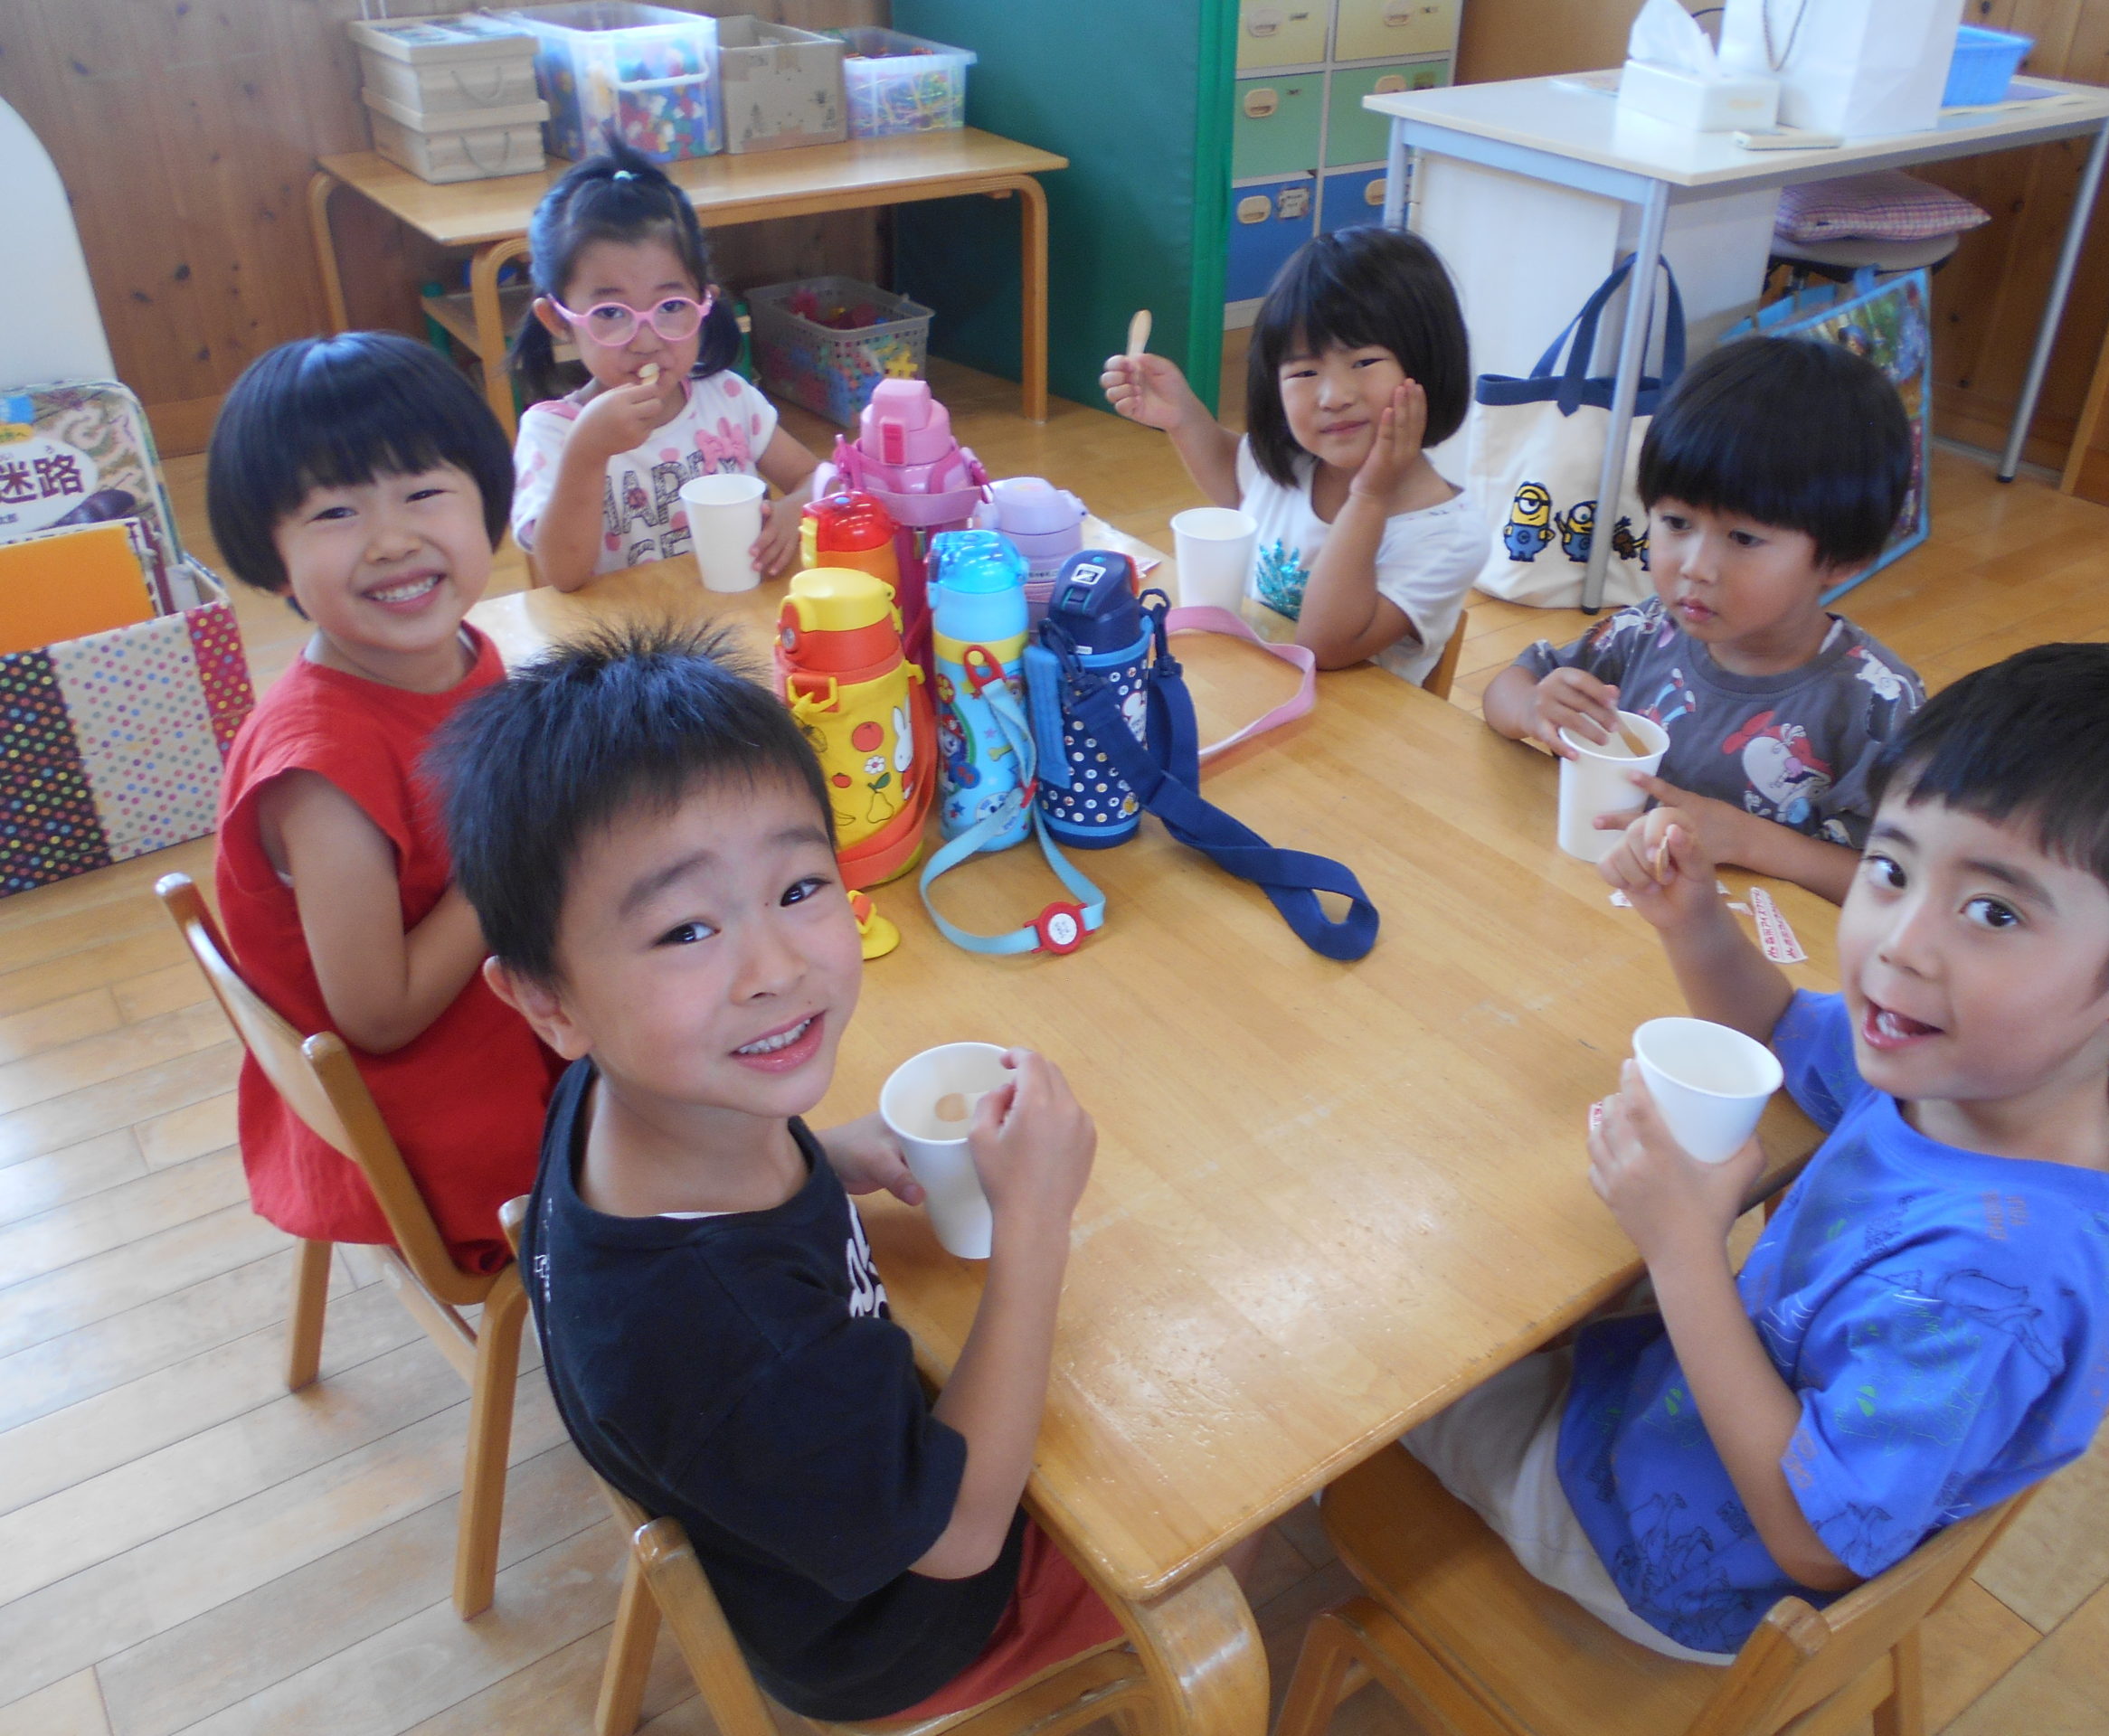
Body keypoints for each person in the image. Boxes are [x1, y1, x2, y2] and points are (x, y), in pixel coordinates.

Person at [1409, 642, 2109, 1662]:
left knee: (1384, 1370)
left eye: (1994, 911)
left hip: (1660, 1549)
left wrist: (1684, 1250)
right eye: (1890, 868)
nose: (1898, 943)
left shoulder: (1987, 1287)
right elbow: (1785, 1029)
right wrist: (1693, 923)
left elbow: (1815, 1540)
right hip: (1680, 1398)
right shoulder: (1978, 1071)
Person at [428, 627, 1130, 1722]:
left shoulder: (634, 1095)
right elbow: (957, 1538)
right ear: (548, 1001)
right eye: (685, 930)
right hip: (906, 1630)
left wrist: (828, 1158)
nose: (777, 967)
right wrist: (1035, 1226)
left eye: (801, 885)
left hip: (810, 1508)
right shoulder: (728, 1338)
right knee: (1216, 1507)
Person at [205, 332, 556, 1274]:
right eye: (333, 511)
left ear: (488, 503)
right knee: (692, 1058)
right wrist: (520, 851)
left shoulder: (457, 653)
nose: (391, 538)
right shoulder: (323, 772)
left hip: (498, 998)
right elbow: (381, 1014)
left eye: (424, 492)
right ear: (272, 562)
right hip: (443, 1112)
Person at [1483, 336, 1925, 903]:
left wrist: (1747, 840)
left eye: (1742, 537)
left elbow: (1907, 888)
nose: (1695, 567)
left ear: (1842, 558)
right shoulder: (1647, 630)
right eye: (1676, 522)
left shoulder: (1877, 703)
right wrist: (1532, 708)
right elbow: (1505, 689)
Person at [1101, 226, 1484, 686]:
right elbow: (1236, 480)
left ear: (1428, 362)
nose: (1334, 396)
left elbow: (1325, 645)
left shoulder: (1447, 536)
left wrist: (1370, 497)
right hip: (1251, 689)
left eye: (1363, 362)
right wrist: (1182, 416)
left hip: (1352, 726)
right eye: (1304, 371)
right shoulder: (1295, 462)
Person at [509, 136, 819, 591]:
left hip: (733, 618)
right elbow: (562, 575)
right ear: (558, 320)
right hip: (624, 632)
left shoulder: (728, 398)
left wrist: (798, 508)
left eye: (671, 307)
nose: (647, 340)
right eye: (611, 313)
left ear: (704, 303)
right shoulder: (553, 432)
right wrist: (587, 452)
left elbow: (818, 476)